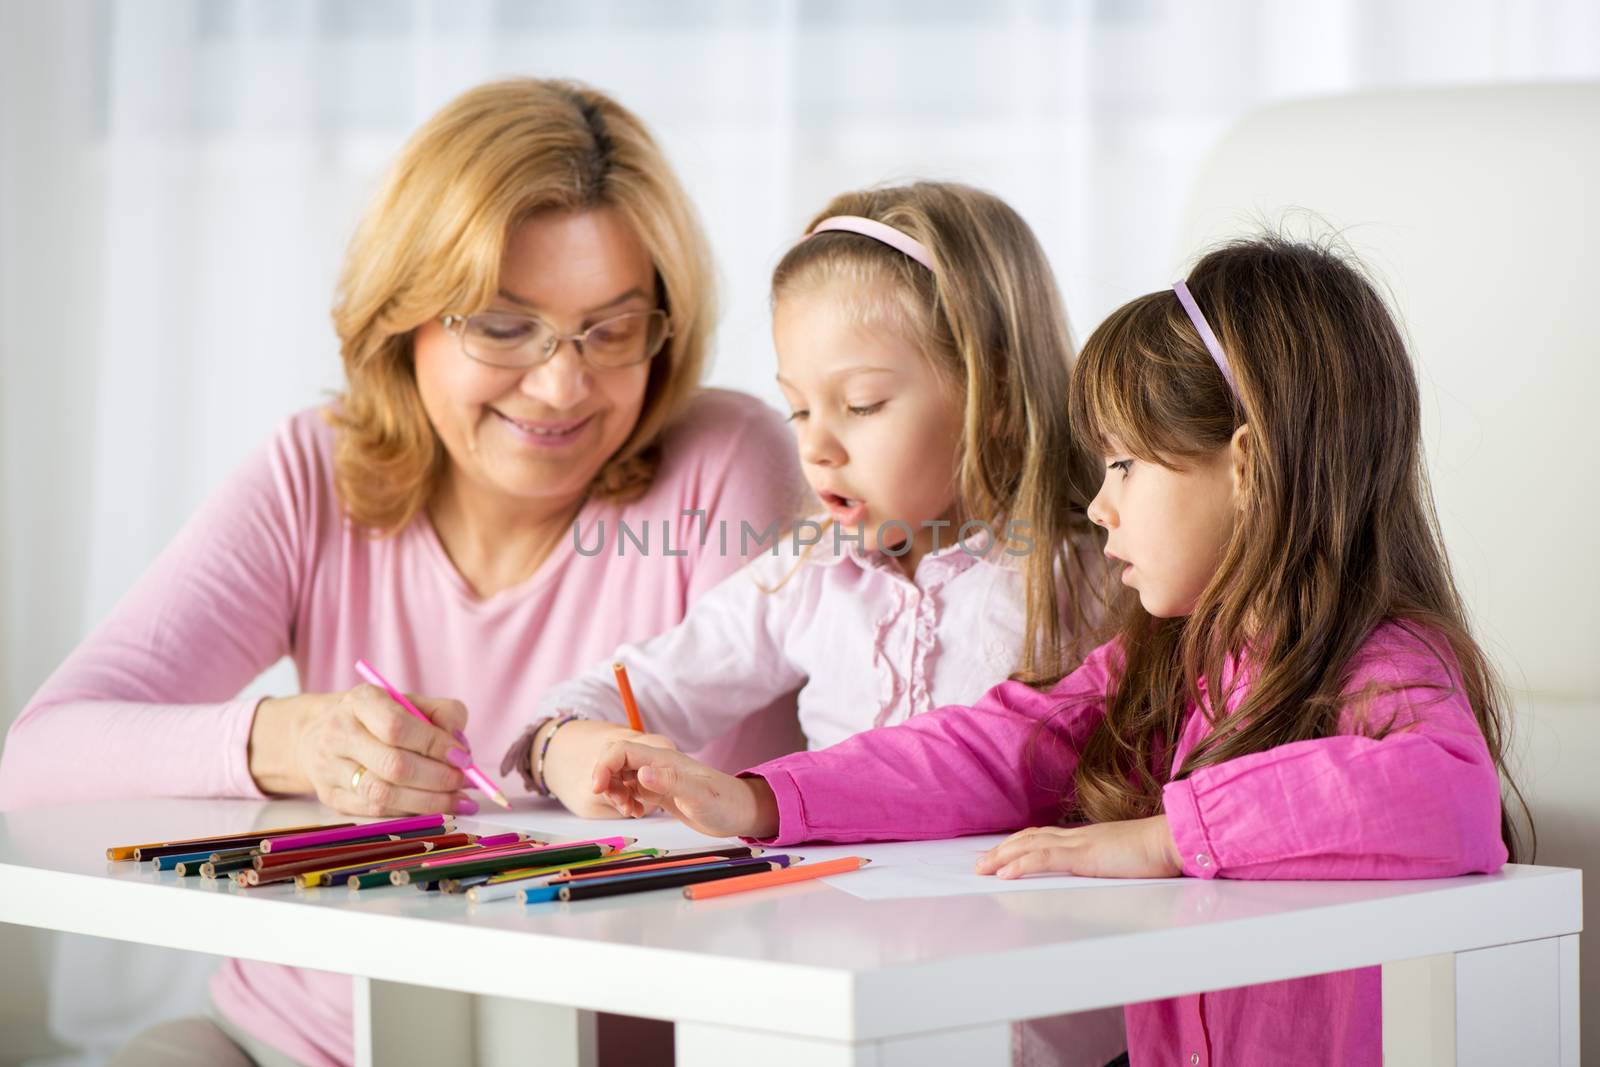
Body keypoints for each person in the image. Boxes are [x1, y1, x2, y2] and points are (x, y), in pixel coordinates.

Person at [0, 78, 804, 1067]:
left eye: (611, 328)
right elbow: (36, 759)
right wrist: (285, 738)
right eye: (504, 324)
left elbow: (772, 820)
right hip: (284, 1042)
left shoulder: (725, 458)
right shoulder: (312, 473)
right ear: (403, 317)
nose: (561, 383)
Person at [588, 236, 1523, 1067]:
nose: (1098, 503)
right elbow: (991, 745)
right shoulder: (1166, 661)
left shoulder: (1388, 658)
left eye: (1124, 464)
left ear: (1249, 466)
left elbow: (1448, 794)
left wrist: (1169, 840)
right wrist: (761, 795)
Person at [513, 180, 1122, 1067]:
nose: (816, 446)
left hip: (1032, 1021)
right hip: (837, 1005)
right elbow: (617, 689)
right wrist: (567, 746)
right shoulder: (807, 576)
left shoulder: (1097, 576)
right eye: (799, 406)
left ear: (993, 395)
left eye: (862, 404)